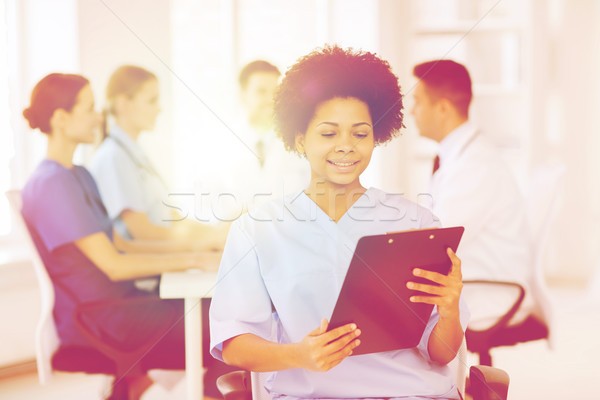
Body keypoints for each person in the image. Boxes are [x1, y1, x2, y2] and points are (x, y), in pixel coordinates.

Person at [210, 46, 469, 399]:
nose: (346, 146)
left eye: (360, 134)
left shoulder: (416, 222)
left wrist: (449, 309)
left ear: (376, 137)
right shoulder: (258, 229)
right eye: (328, 134)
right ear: (300, 139)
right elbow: (234, 343)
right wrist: (298, 354)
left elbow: (443, 352)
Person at [20, 73, 224, 399]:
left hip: (122, 305)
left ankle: (128, 388)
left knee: (221, 312)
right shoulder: (51, 184)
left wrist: (198, 250)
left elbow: (122, 244)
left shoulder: (78, 175)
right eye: (88, 108)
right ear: (60, 119)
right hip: (104, 319)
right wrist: (196, 258)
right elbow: (113, 265)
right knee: (230, 328)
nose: (98, 116)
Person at [410, 60, 534, 327]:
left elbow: (438, 242)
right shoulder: (461, 156)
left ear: (442, 109)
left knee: (393, 316)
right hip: (475, 281)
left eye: (417, 102)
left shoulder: (474, 166)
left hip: (489, 292)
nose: (411, 112)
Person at [89, 65, 229, 246]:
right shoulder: (114, 157)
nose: (159, 109)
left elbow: (172, 218)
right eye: (152, 100)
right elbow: (141, 232)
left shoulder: (134, 154)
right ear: (123, 104)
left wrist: (219, 232)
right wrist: (209, 240)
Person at [217, 60, 309, 214]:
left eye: (275, 92)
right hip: (235, 235)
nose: (271, 99)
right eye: (261, 91)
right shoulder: (223, 145)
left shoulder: (301, 142)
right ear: (243, 96)